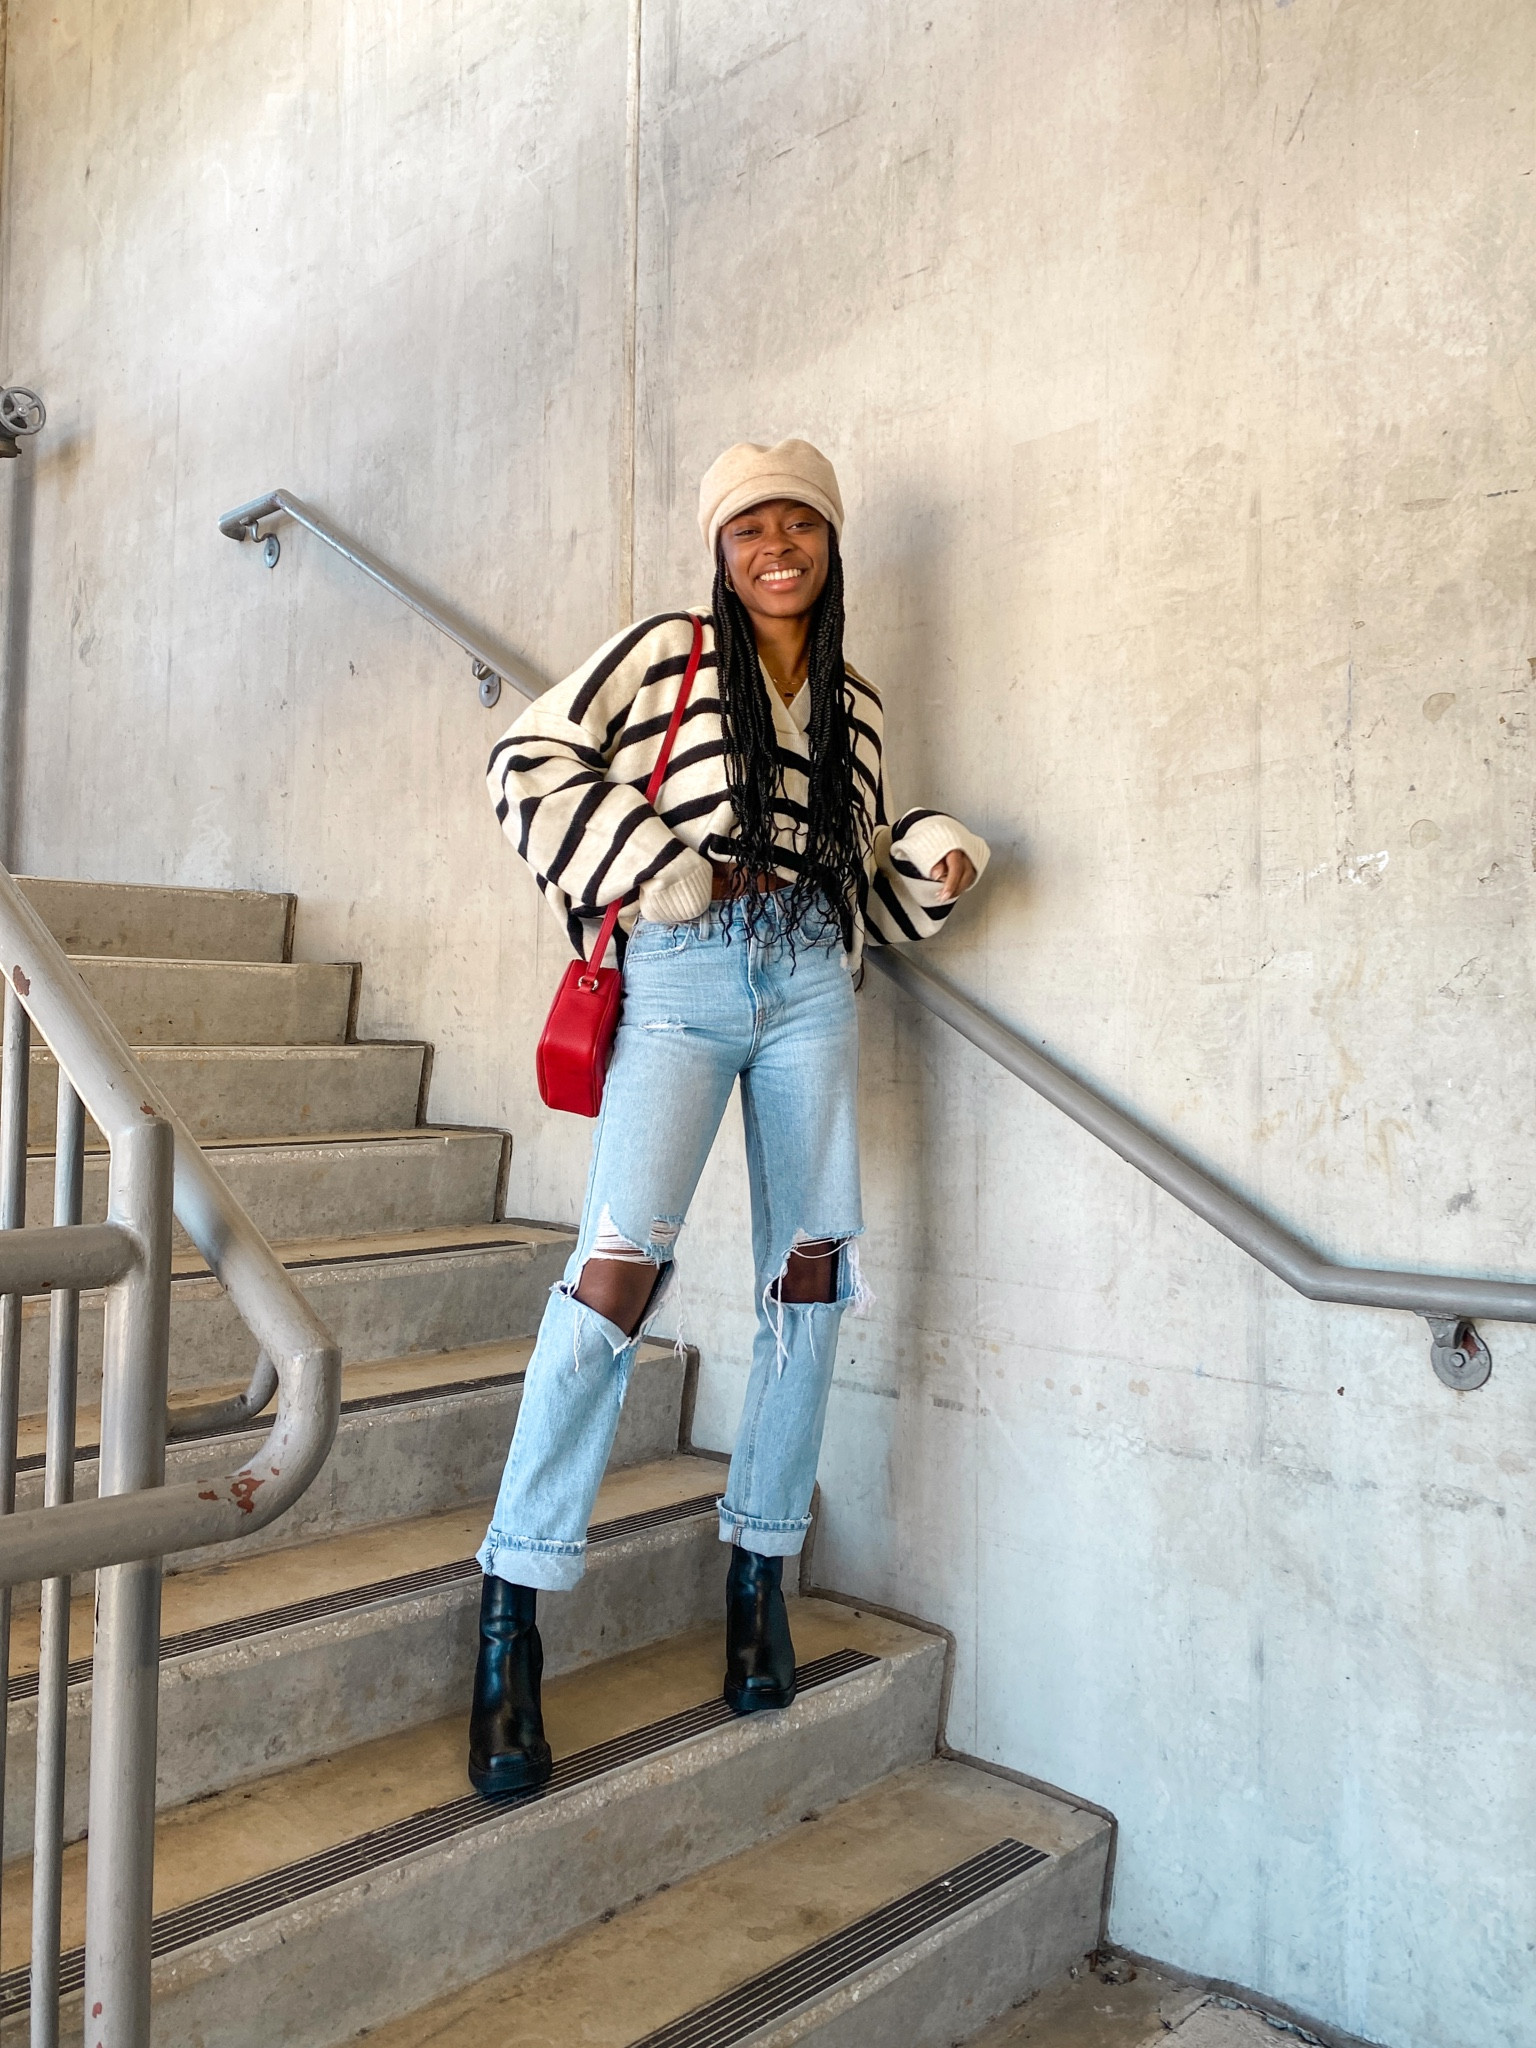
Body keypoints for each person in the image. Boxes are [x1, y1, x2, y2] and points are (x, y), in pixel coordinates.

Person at [468, 438, 989, 1795]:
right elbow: (525, 759)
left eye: (799, 524)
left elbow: (857, 883)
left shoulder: (854, 704)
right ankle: (513, 1612)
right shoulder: (666, 653)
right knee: (614, 1274)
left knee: (809, 1279)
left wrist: (929, 867)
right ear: (721, 547)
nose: (777, 547)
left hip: (812, 983)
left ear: (830, 541)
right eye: (751, 527)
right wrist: (655, 865)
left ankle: (760, 1580)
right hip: (683, 977)